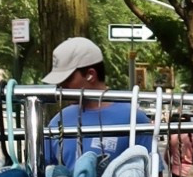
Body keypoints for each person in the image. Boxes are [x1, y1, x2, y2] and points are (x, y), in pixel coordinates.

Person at [42, 37, 141, 166]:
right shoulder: (57, 121)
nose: (61, 86)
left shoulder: (133, 118)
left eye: (67, 79)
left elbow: (153, 173)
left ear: (91, 75)